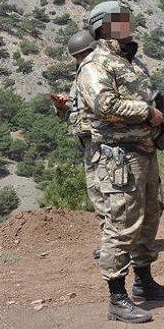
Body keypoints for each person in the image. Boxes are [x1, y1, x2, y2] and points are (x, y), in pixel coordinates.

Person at [75, 0, 164, 324]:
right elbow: (105, 105)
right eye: (120, 20)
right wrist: (148, 113)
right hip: (118, 155)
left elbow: (149, 100)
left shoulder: (132, 64)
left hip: (144, 151)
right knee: (121, 223)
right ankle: (117, 298)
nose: (128, 24)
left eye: (127, 19)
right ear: (103, 26)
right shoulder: (95, 64)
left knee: (149, 217)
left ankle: (144, 282)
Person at [50, 30, 105, 260]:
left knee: (108, 192)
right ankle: (110, 239)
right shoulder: (80, 79)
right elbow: (72, 112)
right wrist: (62, 106)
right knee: (97, 192)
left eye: (82, 55)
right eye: (77, 57)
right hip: (89, 145)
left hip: (104, 144)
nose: (79, 61)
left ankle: (116, 242)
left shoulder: (101, 75)